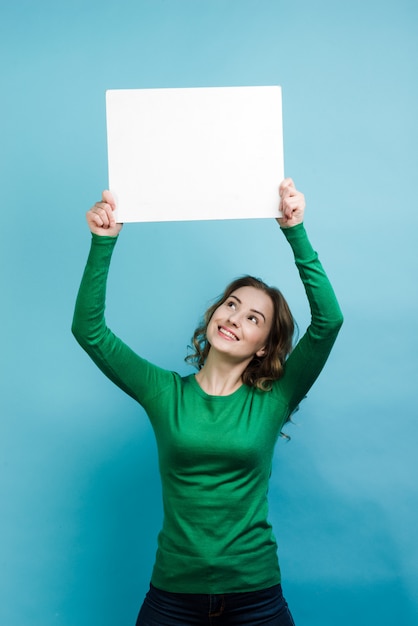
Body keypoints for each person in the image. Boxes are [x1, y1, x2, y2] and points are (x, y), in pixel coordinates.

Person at [72, 178, 343, 625]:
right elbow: (90, 330)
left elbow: (329, 321)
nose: (234, 317)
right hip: (173, 598)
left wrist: (295, 231)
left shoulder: (274, 399)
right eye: (231, 305)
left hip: (256, 597)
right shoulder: (165, 392)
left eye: (253, 318)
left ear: (263, 347)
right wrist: (103, 242)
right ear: (215, 313)